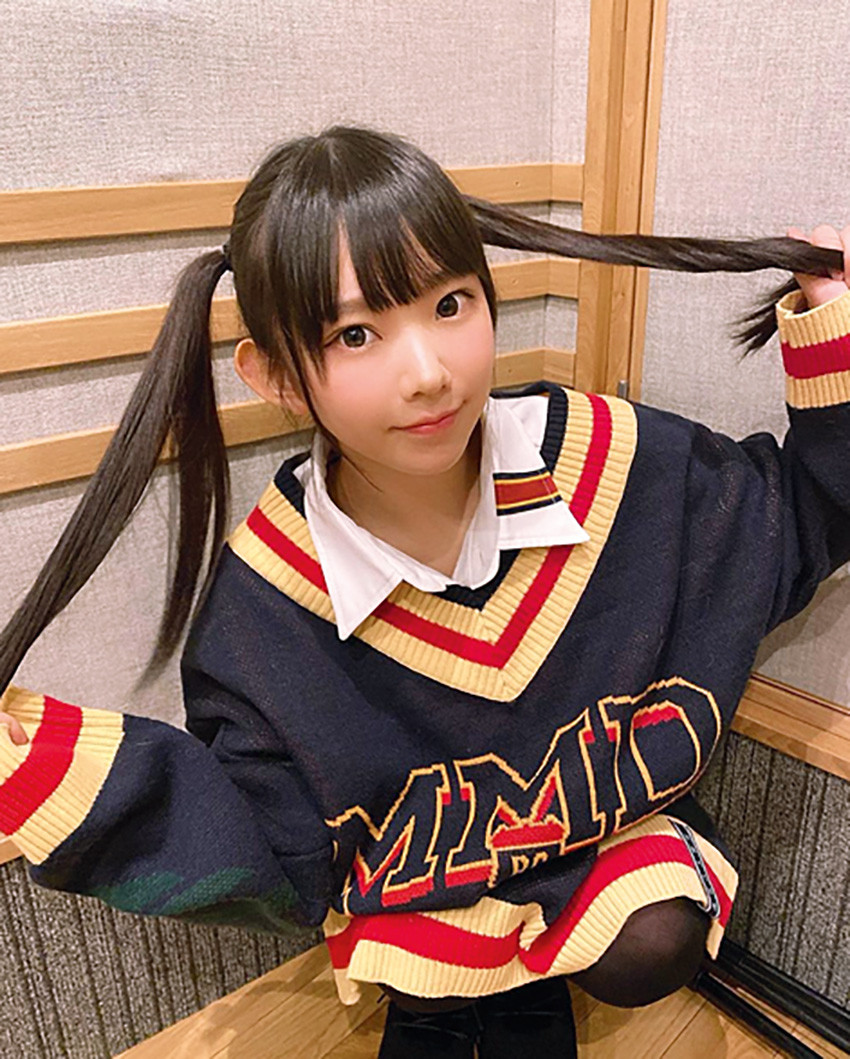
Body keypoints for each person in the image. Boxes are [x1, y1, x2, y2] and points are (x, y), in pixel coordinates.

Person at [0, 126, 848, 1059]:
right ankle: (438, 999)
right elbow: (268, 837)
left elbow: (795, 523)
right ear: (275, 375)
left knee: (655, 940)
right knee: (421, 968)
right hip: (419, 900)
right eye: (355, 333)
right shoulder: (266, 599)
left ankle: (531, 988)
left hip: (595, 854)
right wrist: (44, 768)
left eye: (450, 303)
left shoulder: (607, 461)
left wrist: (832, 331)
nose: (430, 373)